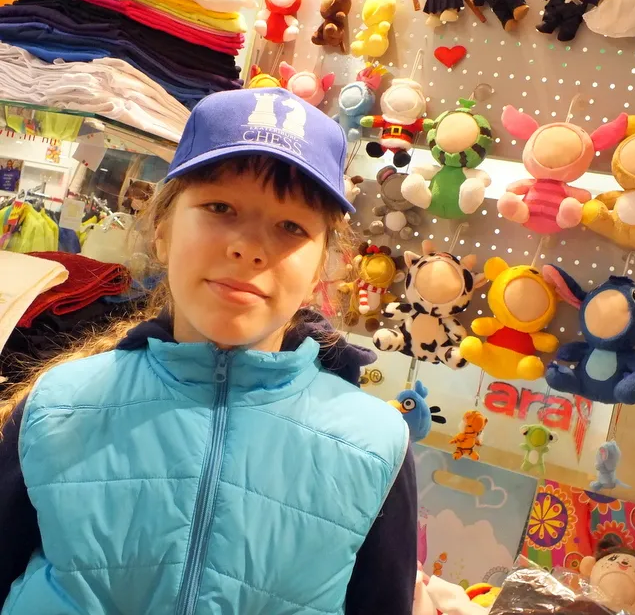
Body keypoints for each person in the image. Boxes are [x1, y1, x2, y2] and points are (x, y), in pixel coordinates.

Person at [0, 87, 417, 614]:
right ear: (162, 231)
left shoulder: (376, 444)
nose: (248, 247)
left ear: (320, 269)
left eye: (292, 226)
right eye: (220, 207)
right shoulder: (56, 404)